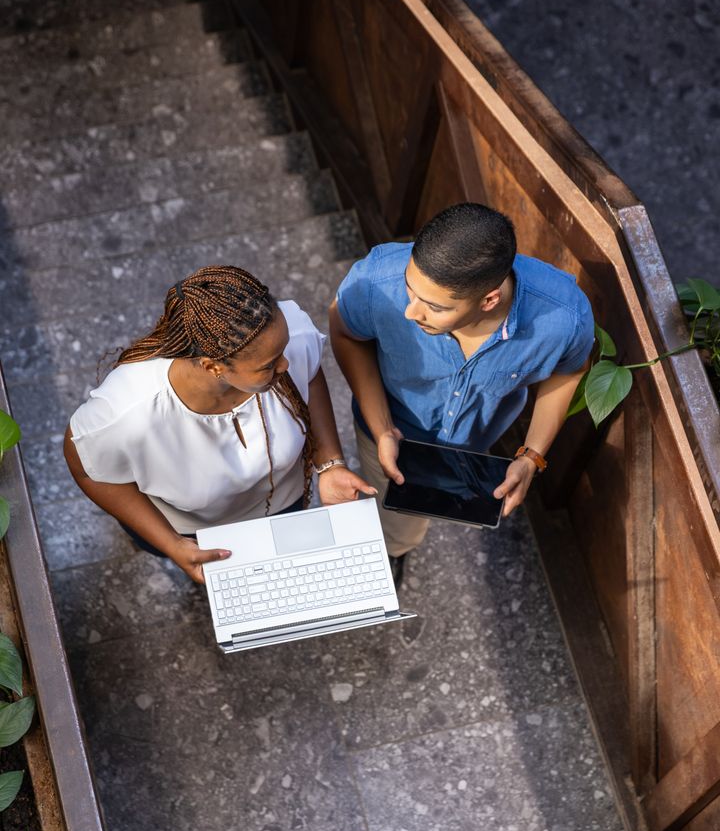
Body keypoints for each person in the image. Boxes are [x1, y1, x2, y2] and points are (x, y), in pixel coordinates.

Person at [329, 202, 594, 586]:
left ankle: (395, 547)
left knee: (419, 513)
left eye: (434, 307)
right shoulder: (374, 279)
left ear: (489, 299)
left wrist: (532, 455)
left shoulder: (564, 319)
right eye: (410, 289)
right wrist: (383, 427)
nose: (410, 312)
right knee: (390, 507)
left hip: (475, 439)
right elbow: (344, 332)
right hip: (388, 425)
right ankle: (389, 544)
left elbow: (569, 370)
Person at [64, 265, 375, 583]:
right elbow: (87, 469)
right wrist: (173, 545)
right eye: (269, 366)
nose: (286, 363)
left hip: (283, 503)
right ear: (213, 366)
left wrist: (331, 463)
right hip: (192, 530)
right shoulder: (126, 414)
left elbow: (310, 375)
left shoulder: (287, 336)